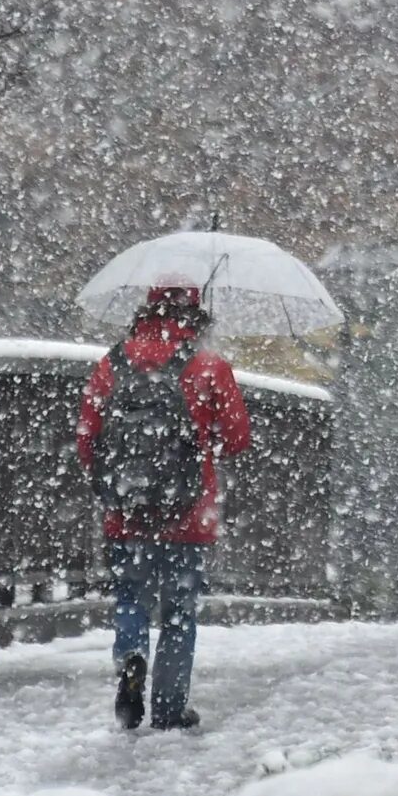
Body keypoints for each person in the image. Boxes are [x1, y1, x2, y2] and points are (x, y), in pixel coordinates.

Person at [75, 282, 252, 731]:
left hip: (126, 513)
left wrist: (113, 486)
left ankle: (133, 654)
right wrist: (203, 438)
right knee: (177, 614)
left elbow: (87, 437)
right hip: (187, 516)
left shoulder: (112, 363)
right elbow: (237, 440)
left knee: (131, 596)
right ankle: (170, 710)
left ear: (145, 310)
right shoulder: (209, 366)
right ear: (196, 316)